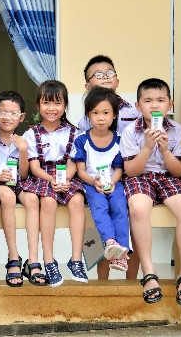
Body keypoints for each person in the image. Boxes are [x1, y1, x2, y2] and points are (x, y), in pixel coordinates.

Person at [121, 78, 181, 307]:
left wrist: (164, 150)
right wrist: (146, 147)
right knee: (138, 208)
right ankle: (149, 273)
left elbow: (178, 171)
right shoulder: (130, 131)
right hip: (140, 178)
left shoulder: (177, 130)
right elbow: (131, 171)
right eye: (148, 101)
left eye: (160, 100)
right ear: (138, 106)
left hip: (167, 178)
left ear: (170, 104)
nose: (154, 105)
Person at [78, 54, 142, 279]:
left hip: (127, 177)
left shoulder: (134, 113)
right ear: (88, 86)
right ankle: (101, 283)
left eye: (109, 73)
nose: (105, 77)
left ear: (117, 80)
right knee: (96, 229)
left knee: (129, 223)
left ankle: (131, 283)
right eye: (97, 75)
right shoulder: (85, 120)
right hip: (95, 180)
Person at [21, 80, 88, 287]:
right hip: (43, 176)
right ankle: (49, 260)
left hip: (67, 175)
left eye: (57, 103)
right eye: (46, 103)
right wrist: (52, 180)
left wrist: (65, 178)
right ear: (38, 105)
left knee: (77, 201)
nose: (52, 108)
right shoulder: (31, 134)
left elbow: (74, 162)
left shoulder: (74, 132)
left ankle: (76, 259)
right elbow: (34, 167)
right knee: (48, 201)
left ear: (65, 105)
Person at [72, 87, 130, 273]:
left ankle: (122, 252)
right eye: (95, 113)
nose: (101, 118)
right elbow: (80, 170)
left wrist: (112, 182)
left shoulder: (119, 140)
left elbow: (119, 168)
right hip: (91, 184)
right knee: (99, 208)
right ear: (88, 115)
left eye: (106, 113)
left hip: (114, 183)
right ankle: (110, 241)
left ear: (114, 115)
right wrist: (93, 182)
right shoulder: (82, 140)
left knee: (120, 207)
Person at [0, 91, 41, 286]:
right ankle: (13, 257)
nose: (7, 117)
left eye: (13, 113)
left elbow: (25, 174)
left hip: (19, 181)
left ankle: (33, 259)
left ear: (21, 117)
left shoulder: (23, 140)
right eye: (2, 112)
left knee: (32, 199)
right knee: (7, 196)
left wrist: (23, 150)